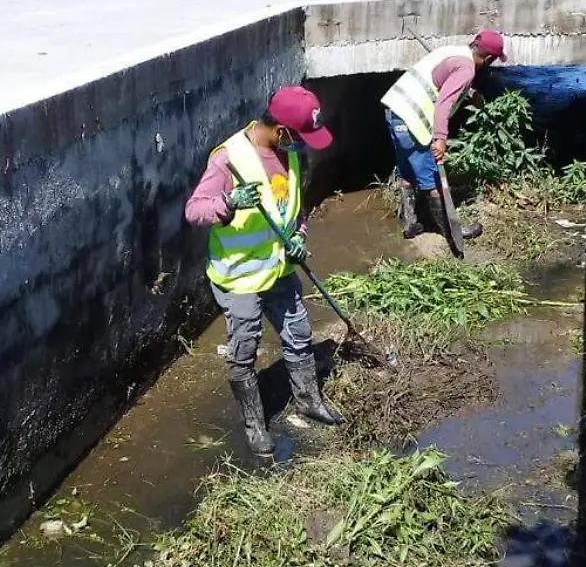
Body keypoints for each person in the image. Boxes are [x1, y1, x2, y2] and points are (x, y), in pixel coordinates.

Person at [184, 86, 344, 456]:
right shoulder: (230, 160)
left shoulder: (289, 156)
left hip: (279, 269)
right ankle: (256, 425)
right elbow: (194, 211)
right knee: (244, 349)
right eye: (299, 137)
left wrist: (299, 236)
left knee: (299, 333)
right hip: (239, 277)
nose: (302, 146)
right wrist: (229, 203)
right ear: (282, 130)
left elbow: (295, 210)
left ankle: (308, 400)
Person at [382, 29, 507, 241]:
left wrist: (467, 92)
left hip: (395, 109)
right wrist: (440, 138)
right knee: (433, 178)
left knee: (407, 171)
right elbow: (443, 103)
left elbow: (440, 77)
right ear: (489, 58)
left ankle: (411, 224)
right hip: (413, 119)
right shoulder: (466, 69)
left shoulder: (452, 50)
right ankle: (451, 232)